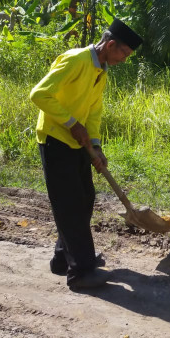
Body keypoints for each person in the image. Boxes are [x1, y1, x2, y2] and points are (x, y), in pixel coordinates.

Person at [30, 20, 143, 290]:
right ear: (110, 44)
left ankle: (63, 259)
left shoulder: (100, 70)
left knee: (85, 198)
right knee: (70, 203)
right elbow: (39, 94)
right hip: (56, 140)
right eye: (124, 54)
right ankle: (80, 272)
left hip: (77, 143)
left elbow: (93, 110)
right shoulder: (76, 59)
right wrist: (71, 123)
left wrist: (96, 145)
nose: (124, 60)